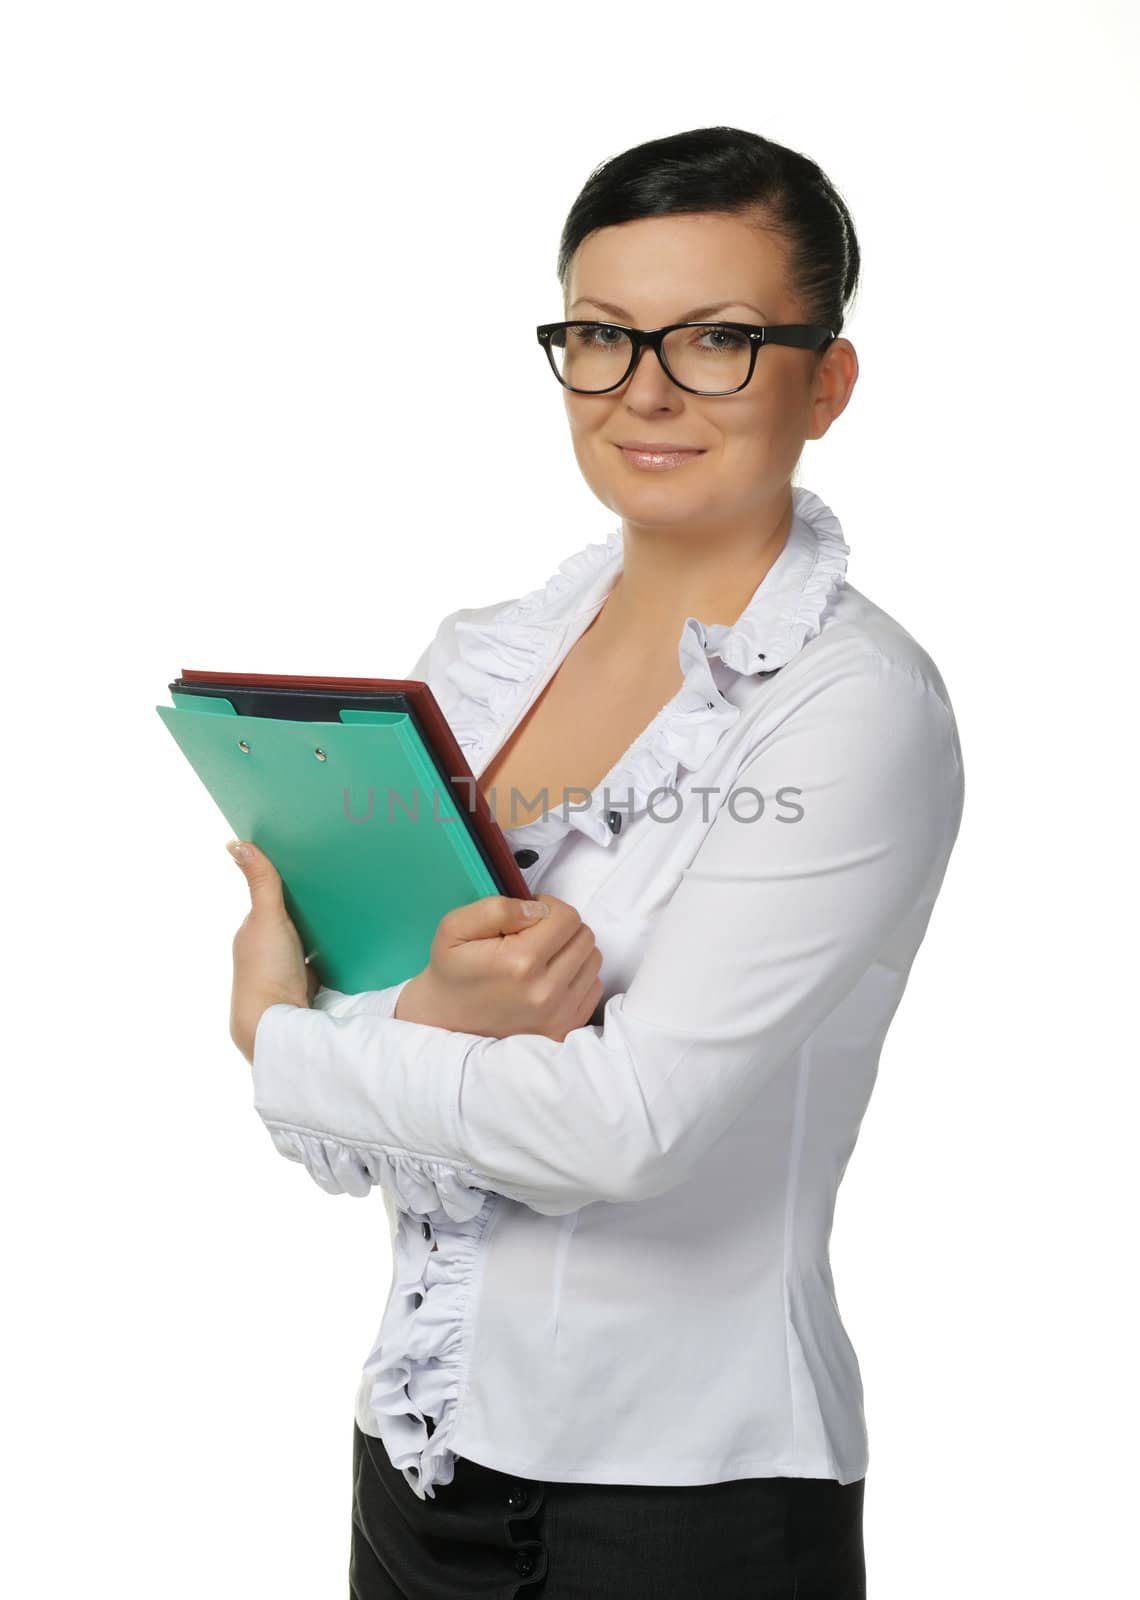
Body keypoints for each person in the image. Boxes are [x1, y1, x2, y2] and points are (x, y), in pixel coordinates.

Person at [227, 125, 965, 1599]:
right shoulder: (480, 667)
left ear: (826, 381)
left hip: (686, 1502)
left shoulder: (854, 710)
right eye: (603, 335)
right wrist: (395, 1037)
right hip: (418, 1453)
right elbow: (355, 1133)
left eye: (716, 340)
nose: (644, 390)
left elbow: (624, 1129)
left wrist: (276, 1030)